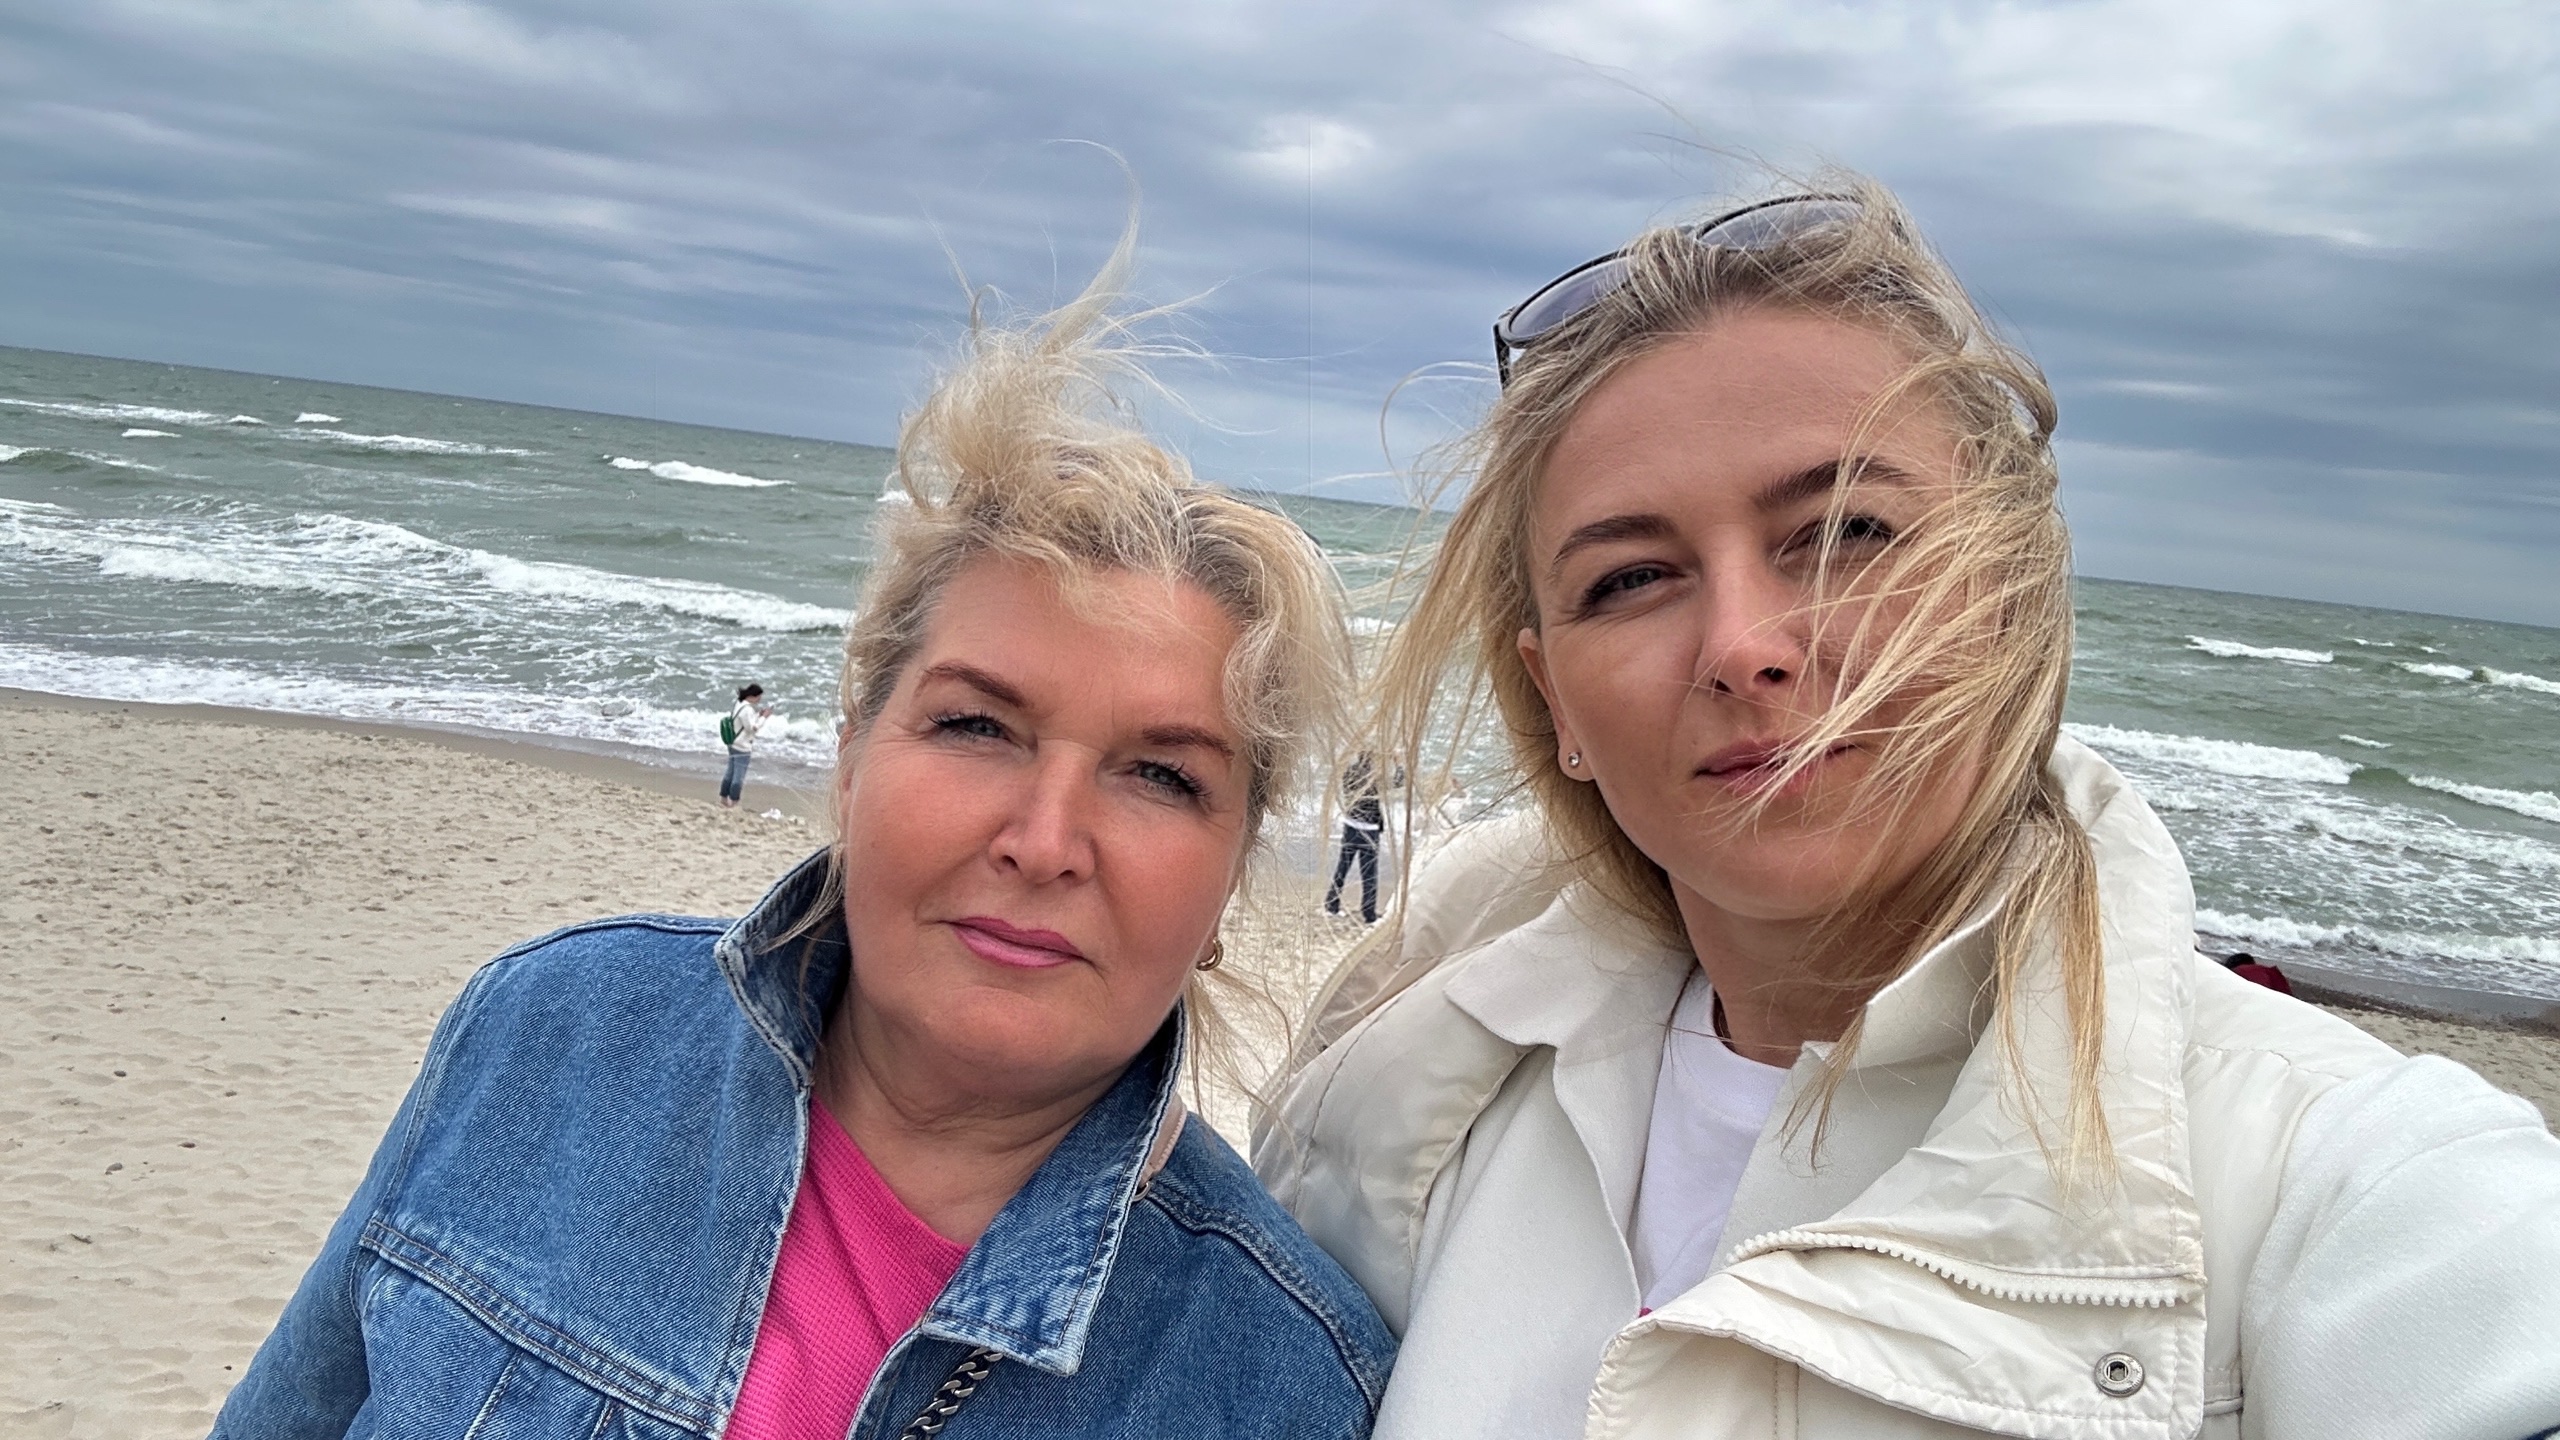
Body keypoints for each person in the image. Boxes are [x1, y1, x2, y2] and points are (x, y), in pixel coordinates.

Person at [1255, 177, 2560, 1438]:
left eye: (1848, 533)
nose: (1743, 647)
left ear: (2008, 595)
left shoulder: (2349, 1184)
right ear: (1558, 706)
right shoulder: (1414, 1086)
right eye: (1632, 578)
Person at [213, 249, 1393, 1439]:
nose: (1045, 844)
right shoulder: (546, 1036)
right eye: (977, 725)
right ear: (852, 755)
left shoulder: (1292, 1385)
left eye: (1159, 775)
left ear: (1231, 870)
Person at [1324, 753, 1385, 923]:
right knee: (1369, 874)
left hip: (1351, 826)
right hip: (1369, 830)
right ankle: (1369, 914)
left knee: (1342, 868)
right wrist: (1399, 763)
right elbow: (1398, 781)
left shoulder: (1349, 772)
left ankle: (1331, 906)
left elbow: (1347, 792)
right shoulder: (1375, 776)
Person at [719, 682, 769, 808]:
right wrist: (764, 718)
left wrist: (758, 715)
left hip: (733, 743)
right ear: (752, 696)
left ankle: (724, 798)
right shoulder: (747, 709)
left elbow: (744, 722)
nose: (759, 700)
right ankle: (734, 801)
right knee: (738, 777)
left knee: (730, 773)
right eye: (759, 697)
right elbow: (752, 729)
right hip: (742, 746)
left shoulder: (739, 703)